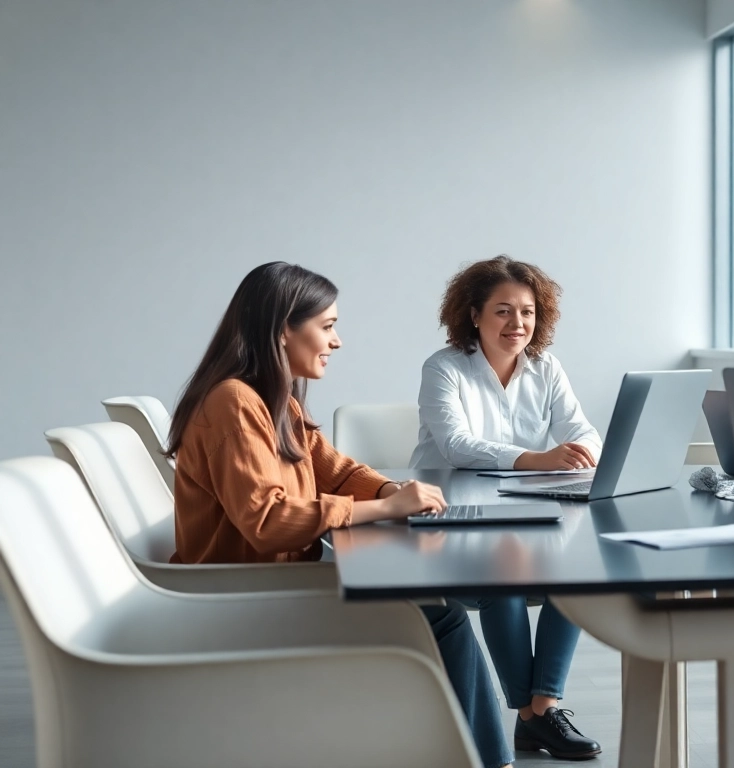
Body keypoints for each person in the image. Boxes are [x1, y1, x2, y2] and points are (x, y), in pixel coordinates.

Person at [166, 262, 514, 768]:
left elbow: (334, 470)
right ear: (283, 329)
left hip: (277, 580)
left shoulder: (271, 399)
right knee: (443, 618)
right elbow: (266, 523)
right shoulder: (234, 402)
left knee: (438, 609)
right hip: (244, 594)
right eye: (326, 326)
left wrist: (391, 488)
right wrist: (387, 507)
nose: (337, 341)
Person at [410, 255, 602, 761]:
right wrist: (536, 458)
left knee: (579, 573)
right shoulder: (444, 368)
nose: (517, 324)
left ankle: (542, 708)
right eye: (502, 311)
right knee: (504, 581)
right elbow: (455, 445)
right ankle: (534, 717)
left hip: (523, 515)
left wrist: (583, 452)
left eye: (528, 312)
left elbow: (582, 430)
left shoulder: (546, 367)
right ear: (473, 314)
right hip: (451, 522)